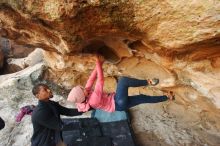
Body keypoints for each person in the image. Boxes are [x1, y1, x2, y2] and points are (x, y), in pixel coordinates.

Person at [67, 55, 174, 113]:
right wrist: (98, 63)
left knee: (142, 98)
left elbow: (91, 79)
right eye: (82, 89)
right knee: (123, 81)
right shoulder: (93, 101)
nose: (84, 88)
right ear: (83, 96)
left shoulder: (84, 95)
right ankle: (148, 82)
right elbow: (100, 81)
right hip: (118, 103)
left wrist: (100, 63)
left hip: (118, 103)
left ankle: (167, 97)